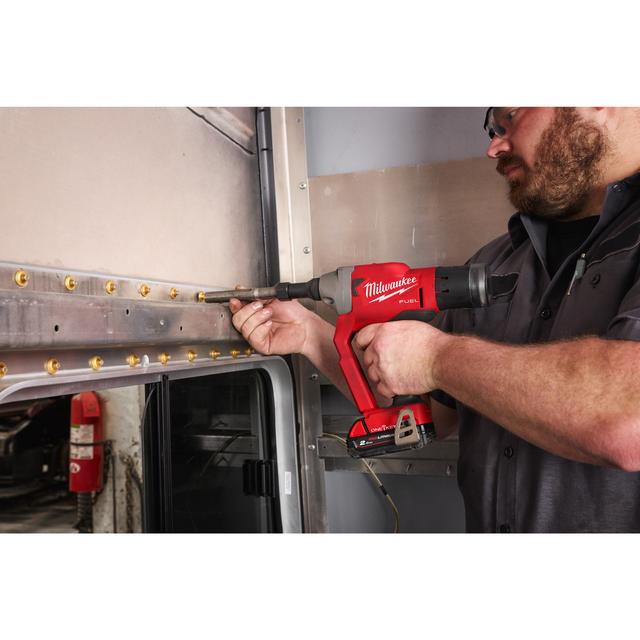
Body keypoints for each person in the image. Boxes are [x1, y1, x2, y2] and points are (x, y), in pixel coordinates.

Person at [230, 108, 640, 533]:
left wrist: (435, 357)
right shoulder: (496, 261)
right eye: (493, 129)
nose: (493, 147)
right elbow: (429, 415)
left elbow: (628, 415)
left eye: (509, 119)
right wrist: (312, 336)